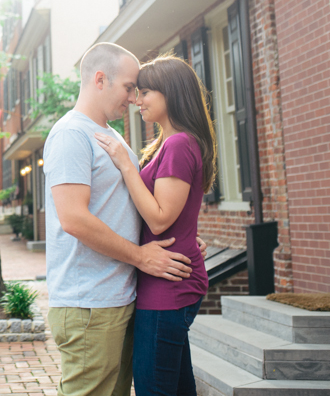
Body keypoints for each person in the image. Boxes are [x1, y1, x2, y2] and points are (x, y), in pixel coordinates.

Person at [44, 43, 197, 396]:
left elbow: (124, 206)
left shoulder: (112, 137)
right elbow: (74, 219)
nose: (133, 98)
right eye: (129, 87)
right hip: (89, 303)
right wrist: (142, 257)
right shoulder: (71, 135)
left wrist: (183, 234)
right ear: (100, 79)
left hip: (118, 296)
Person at [95, 55, 216, 396]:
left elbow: (160, 218)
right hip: (165, 281)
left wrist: (125, 164)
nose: (136, 100)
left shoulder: (178, 144)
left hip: (168, 288)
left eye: (145, 92)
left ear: (171, 94)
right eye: (135, 92)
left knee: (154, 388)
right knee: (177, 387)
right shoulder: (168, 143)